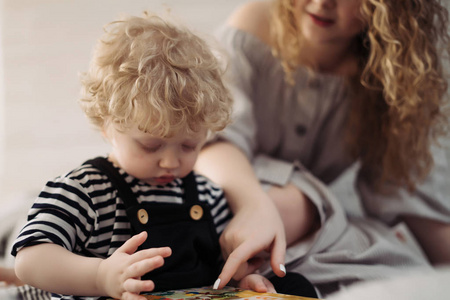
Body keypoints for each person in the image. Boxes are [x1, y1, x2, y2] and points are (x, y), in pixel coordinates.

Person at [11, 12, 281, 300]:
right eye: (151, 146)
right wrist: (100, 277)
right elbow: (29, 260)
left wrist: (241, 282)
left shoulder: (206, 195)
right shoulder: (84, 190)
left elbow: (218, 268)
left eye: (189, 146)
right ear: (106, 124)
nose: (170, 162)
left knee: (296, 285)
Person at [196, 0, 450, 297]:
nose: (322, 3)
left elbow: (402, 188)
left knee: (365, 250)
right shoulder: (253, 27)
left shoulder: (394, 70)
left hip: (311, 217)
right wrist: (255, 206)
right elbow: (214, 140)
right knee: (292, 204)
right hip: (233, 189)